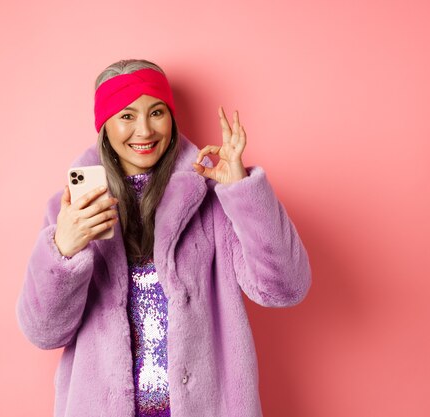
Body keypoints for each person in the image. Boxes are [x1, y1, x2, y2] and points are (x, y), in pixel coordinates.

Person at [16, 59, 311, 417]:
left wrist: (241, 191)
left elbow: (285, 288)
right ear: (104, 126)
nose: (144, 130)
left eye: (156, 112)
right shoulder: (71, 212)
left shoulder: (211, 199)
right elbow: (44, 332)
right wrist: (64, 250)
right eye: (126, 116)